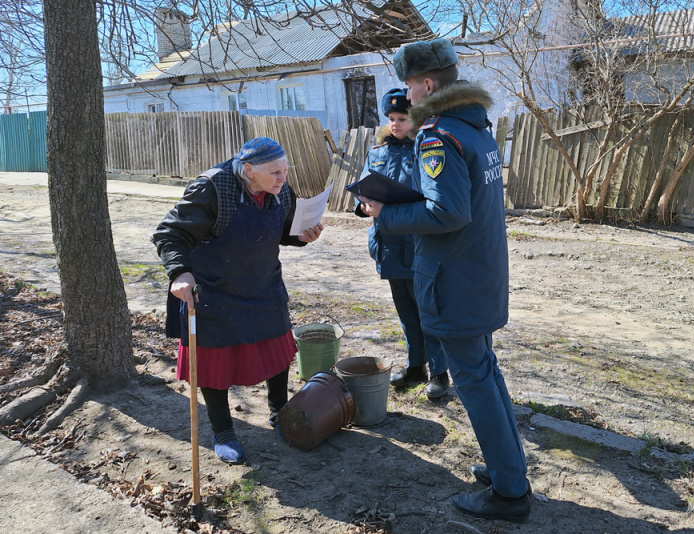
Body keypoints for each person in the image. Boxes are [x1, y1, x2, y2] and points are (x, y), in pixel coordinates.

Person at [357, 39, 531, 523]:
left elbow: (447, 211)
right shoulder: (475, 127)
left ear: (427, 84)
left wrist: (386, 213)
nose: (406, 96)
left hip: (454, 280)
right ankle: (506, 468)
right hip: (480, 274)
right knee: (487, 373)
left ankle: (510, 494)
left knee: (476, 381)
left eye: (410, 86)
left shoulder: (438, 136)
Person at [152, 137, 323, 464]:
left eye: (285, 171)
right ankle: (223, 431)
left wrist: (302, 236)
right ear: (248, 170)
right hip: (215, 290)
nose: (282, 178)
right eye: (275, 172)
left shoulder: (279, 189)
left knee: (277, 351)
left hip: (263, 284)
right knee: (214, 365)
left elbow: (284, 230)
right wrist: (179, 273)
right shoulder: (212, 189)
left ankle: (279, 412)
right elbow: (169, 234)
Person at [355, 87, 449, 399]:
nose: (396, 124)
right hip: (389, 246)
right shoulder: (377, 153)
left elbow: (432, 197)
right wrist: (363, 205)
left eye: (403, 118)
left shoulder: (425, 149)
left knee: (426, 311)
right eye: (392, 119)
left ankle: (439, 372)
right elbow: (363, 190)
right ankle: (415, 367)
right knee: (406, 313)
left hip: (417, 244)